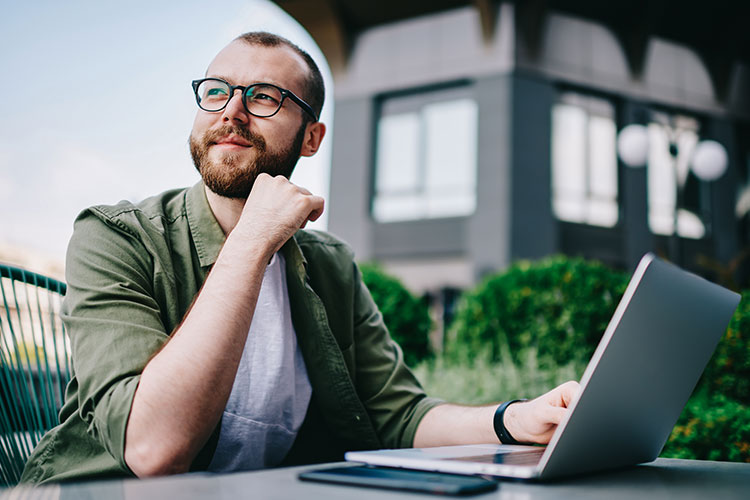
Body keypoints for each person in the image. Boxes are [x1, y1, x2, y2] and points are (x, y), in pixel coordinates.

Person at [21, 32, 579, 484]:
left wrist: (517, 419)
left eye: (264, 97)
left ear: (311, 138)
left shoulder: (329, 264)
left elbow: (400, 415)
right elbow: (152, 449)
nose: (232, 112)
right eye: (217, 90)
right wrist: (251, 240)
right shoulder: (116, 236)